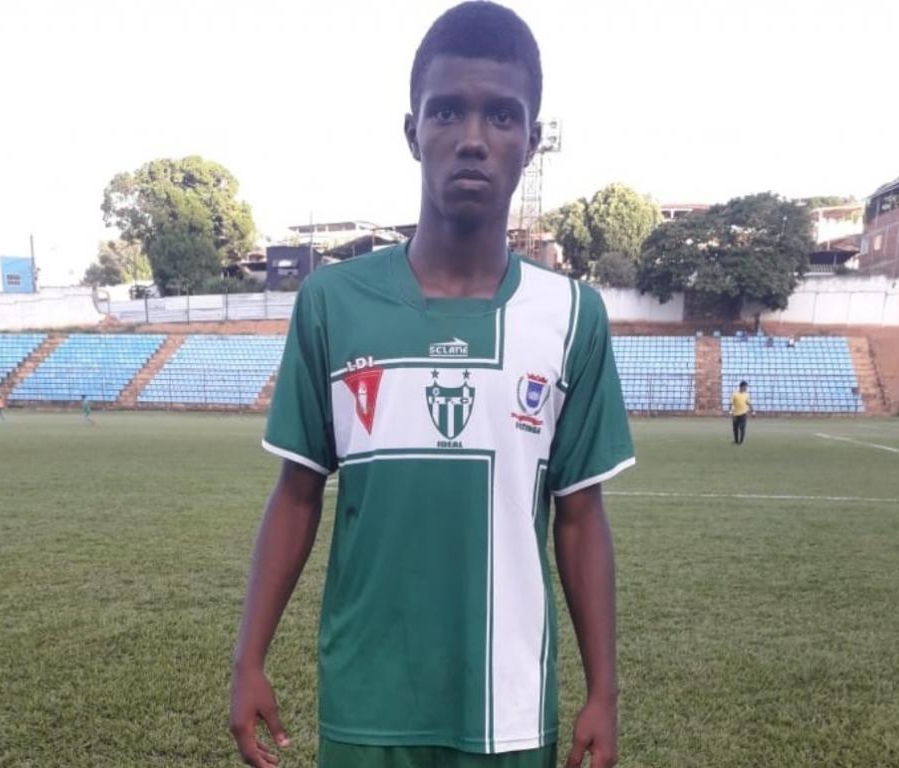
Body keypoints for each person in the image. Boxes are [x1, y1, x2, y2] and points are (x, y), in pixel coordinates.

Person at [229, 5, 635, 768]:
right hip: (365, 703)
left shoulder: (571, 315)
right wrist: (248, 658)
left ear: (532, 140)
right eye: (447, 111)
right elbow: (297, 493)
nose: (473, 138)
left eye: (502, 116)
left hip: (509, 711)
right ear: (413, 130)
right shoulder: (332, 303)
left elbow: (581, 518)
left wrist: (603, 692)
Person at [730, 380, 752, 444]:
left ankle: (741, 442)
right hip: (735, 414)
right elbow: (731, 404)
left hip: (744, 413)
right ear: (741, 386)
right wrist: (731, 413)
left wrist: (753, 411)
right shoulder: (734, 394)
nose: (746, 388)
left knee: (742, 427)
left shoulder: (746, 395)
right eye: (745, 387)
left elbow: (748, 403)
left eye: (746, 387)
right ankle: (736, 441)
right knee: (735, 428)